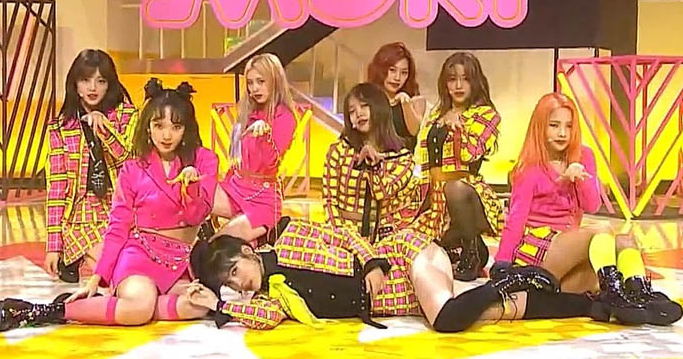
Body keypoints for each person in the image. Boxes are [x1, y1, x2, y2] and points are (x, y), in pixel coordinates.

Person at [0, 79, 219, 331]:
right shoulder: (133, 169)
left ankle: (104, 306)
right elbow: (118, 226)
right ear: (147, 127)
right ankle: (48, 311)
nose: (166, 135)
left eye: (176, 127)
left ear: (187, 128)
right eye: (158, 125)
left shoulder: (205, 160)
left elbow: (197, 215)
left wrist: (190, 187)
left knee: (200, 304)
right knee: (139, 309)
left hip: (179, 262)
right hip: (140, 256)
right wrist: (97, 277)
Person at [185, 218, 624, 332]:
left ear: (248, 252)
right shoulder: (272, 298)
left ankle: (507, 278)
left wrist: (372, 262)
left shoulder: (293, 235)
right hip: (401, 297)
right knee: (488, 311)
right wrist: (219, 304)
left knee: (448, 318)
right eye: (229, 283)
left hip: (401, 256)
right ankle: (590, 304)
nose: (238, 283)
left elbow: (344, 234)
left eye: (234, 271)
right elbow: (262, 319)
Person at [495, 92, 682, 326]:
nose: (562, 133)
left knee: (624, 241)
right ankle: (615, 295)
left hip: (570, 248)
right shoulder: (529, 168)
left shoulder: (584, 156)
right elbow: (516, 219)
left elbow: (592, 205)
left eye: (568, 126)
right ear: (540, 126)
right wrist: (501, 263)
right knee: (601, 230)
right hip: (540, 249)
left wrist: (580, 178)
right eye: (554, 125)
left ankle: (637, 295)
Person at [44, 49, 137, 284]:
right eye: (86, 80)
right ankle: (72, 254)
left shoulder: (127, 116)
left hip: (119, 208)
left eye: (101, 81)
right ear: (75, 85)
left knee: (129, 269)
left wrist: (104, 129)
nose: (93, 87)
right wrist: (53, 246)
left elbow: (128, 161)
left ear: (110, 85)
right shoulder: (60, 128)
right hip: (79, 215)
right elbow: (57, 187)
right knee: (114, 275)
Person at [414, 52, 504, 281]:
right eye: (452, 79)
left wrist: (458, 130)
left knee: (454, 188)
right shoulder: (436, 115)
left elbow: (470, 154)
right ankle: (473, 246)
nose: (458, 85)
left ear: (475, 82)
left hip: (468, 193)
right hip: (435, 192)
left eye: (465, 79)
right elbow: (423, 157)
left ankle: (471, 255)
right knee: (415, 240)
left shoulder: (487, 115)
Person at [210, 53, 298, 244]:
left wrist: (265, 136)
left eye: (260, 81)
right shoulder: (248, 113)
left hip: (262, 200)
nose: (254, 88)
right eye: (250, 83)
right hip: (235, 188)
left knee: (219, 244)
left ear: (275, 81)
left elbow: (270, 163)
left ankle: (257, 238)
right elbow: (237, 160)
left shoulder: (285, 117)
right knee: (190, 197)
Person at [323, 83, 424, 243]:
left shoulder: (402, 158)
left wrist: (373, 165)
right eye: (352, 111)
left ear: (379, 108)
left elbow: (382, 192)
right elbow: (329, 201)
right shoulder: (339, 151)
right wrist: (340, 235)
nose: (358, 113)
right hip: (343, 237)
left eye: (364, 106)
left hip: (385, 240)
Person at [367, 43, 426, 151]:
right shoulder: (367, 100)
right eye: (392, 70)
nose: (397, 78)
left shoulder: (416, 101)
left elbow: (415, 131)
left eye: (404, 73)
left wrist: (405, 103)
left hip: (406, 160)